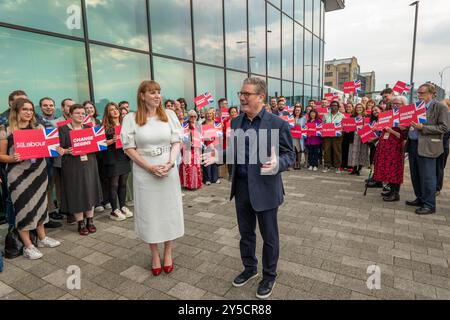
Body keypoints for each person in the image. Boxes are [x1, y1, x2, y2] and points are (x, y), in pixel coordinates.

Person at [203, 77, 295, 299]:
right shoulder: (236, 123)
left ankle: (269, 275)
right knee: (246, 234)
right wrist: (219, 156)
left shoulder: (277, 123)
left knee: (270, 237)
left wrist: (277, 164)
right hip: (241, 188)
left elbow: (289, 155)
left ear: (261, 97)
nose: (242, 98)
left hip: (265, 188)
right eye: (240, 94)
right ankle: (250, 268)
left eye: (247, 94)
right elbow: (236, 152)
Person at [121, 80, 184, 276]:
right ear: (142, 95)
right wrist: (149, 167)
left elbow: (176, 141)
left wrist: (171, 163)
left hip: (168, 170)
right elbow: (129, 148)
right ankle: (154, 253)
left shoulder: (170, 115)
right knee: (150, 213)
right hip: (145, 172)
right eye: (152, 92)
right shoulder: (131, 118)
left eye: (159, 92)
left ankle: (168, 251)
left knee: (168, 212)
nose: (157, 96)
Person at [0, 98, 61, 259]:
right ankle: (28, 246)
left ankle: (42, 238)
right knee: (23, 209)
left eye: (30, 110)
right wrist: (12, 158)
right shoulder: (6, 130)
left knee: (41, 205)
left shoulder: (38, 127)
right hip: (18, 175)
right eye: (24, 109)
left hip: (39, 173)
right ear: (16, 111)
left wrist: (57, 149)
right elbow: (1, 156)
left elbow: (50, 147)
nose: (28, 112)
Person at [58, 104, 103, 235]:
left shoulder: (89, 128)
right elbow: (57, 149)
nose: (81, 115)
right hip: (72, 164)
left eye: (83, 113)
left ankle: (90, 221)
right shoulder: (62, 129)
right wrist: (66, 150)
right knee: (76, 191)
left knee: (90, 189)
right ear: (70, 114)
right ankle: (80, 223)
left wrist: (98, 143)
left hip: (89, 163)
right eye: (77, 113)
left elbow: (98, 144)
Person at [405, 83, 449, 215]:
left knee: (428, 177)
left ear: (431, 94)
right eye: (418, 93)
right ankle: (420, 198)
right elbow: (413, 125)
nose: (419, 96)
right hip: (413, 144)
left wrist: (422, 128)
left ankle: (429, 204)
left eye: (422, 93)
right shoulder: (417, 107)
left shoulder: (439, 107)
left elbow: (444, 128)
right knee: (415, 175)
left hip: (428, 146)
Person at [373, 96, 408, 202]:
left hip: (395, 148)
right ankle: (391, 190)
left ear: (404, 105)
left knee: (395, 170)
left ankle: (395, 194)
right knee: (388, 169)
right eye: (394, 104)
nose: (395, 105)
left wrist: (390, 130)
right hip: (385, 146)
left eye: (398, 104)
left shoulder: (405, 116)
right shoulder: (390, 115)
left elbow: (402, 136)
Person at [102, 102, 133, 221]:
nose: (115, 111)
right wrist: (112, 140)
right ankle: (114, 210)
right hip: (112, 157)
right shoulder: (105, 126)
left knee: (123, 183)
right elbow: (100, 144)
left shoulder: (125, 124)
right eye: (111, 110)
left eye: (116, 109)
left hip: (124, 156)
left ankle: (123, 206)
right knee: (114, 184)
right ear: (108, 113)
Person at [38, 97, 64, 228]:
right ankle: (50, 211)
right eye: (45, 105)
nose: (48, 107)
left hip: (58, 157)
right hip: (45, 159)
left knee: (59, 184)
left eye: (51, 105)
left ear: (54, 107)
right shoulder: (37, 122)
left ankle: (59, 208)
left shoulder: (59, 121)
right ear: (40, 107)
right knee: (47, 186)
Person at [179, 110, 203, 190]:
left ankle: (196, 184)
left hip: (196, 149)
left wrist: (200, 144)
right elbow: (183, 136)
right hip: (188, 149)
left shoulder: (198, 125)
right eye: (191, 116)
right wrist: (189, 143)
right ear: (188, 117)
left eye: (194, 116)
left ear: (196, 117)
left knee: (196, 165)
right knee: (188, 165)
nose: (193, 118)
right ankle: (188, 184)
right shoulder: (185, 125)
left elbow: (201, 136)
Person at [322, 100, 345, 173]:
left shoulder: (342, 115)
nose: (334, 107)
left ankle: (337, 167)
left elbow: (344, 126)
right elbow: (323, 124)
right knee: (326, 150)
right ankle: (327, 165)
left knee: (337, 151)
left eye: (335, 106)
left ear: (338, 107)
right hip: (327, 135)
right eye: (332, 105)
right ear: (330, 107)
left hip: (337, 136)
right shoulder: (325, 115)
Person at [347, 103, 369, 176]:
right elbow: (348, 126)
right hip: (354, 137)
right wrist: (347, 129)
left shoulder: (366, 117)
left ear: (363, 108)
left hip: (363, 136)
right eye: (357, 107)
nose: (358, 109)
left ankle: (359, 169)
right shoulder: (352, 116)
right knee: (353, 152)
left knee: (362, 152)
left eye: (360, 107)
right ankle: (354, 168)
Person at [202, 108, 221, 185]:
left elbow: (220, 135)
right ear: (205, 115)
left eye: (210, 113)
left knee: (214, 162)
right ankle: (207, 179)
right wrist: (206, 140)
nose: (209, 115)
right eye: (207, 113)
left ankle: (215, 178)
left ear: (213, 114)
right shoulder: (202, 124)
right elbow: (200, 136)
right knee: (207, 162)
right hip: (206, 145)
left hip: (216, 145)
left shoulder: (217, 123)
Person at [436, 98, 450, 195]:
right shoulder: (439, 115)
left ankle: (437, 188)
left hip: (442, 145)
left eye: (443, 105)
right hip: (433, 145)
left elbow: (446, 132)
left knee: (439, 167)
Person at [341, 103, 354, 172]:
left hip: (352, 135)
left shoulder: (354, 116)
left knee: (351, 150)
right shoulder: (343, 115)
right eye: (347, 107)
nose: (348, 108)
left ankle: (350, 165)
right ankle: (343, 165)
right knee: (344, 150)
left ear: (352, 107)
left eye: (350, 107)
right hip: (344, 134)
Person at [292, 105, 306, 170]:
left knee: (299, 149)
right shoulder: (291, 117)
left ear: (301, 111)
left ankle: (298, 163)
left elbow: (305, 127)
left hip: (299, 137)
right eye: (296, 110)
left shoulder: (303, 118)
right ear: (294, 111)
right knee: (293, 149)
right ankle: (294, 162)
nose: (297, 111)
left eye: (299, 110)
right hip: (292, 136)